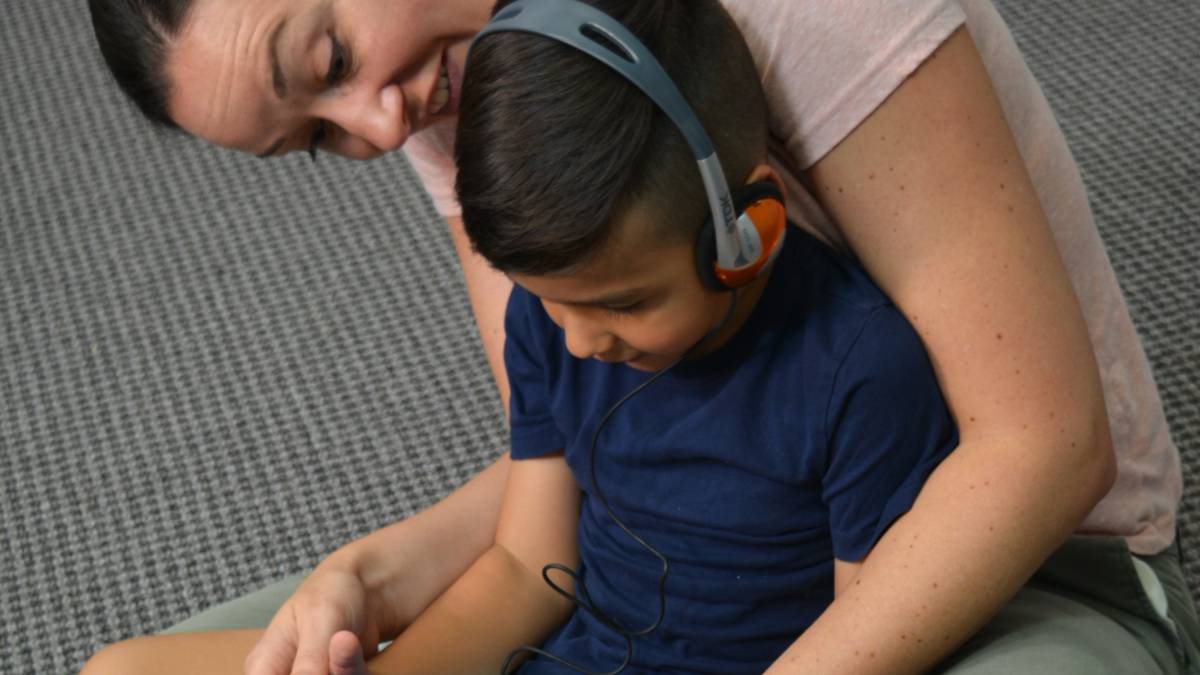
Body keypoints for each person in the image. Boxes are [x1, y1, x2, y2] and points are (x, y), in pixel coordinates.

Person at [80, 0, 1198, 673]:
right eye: (313, 143)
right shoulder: (438, 88)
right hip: (668, 585)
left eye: (326, 64)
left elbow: (1043, 444)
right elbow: (577, 467)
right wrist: (363, 578)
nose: (374, 127)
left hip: (1023, 566)